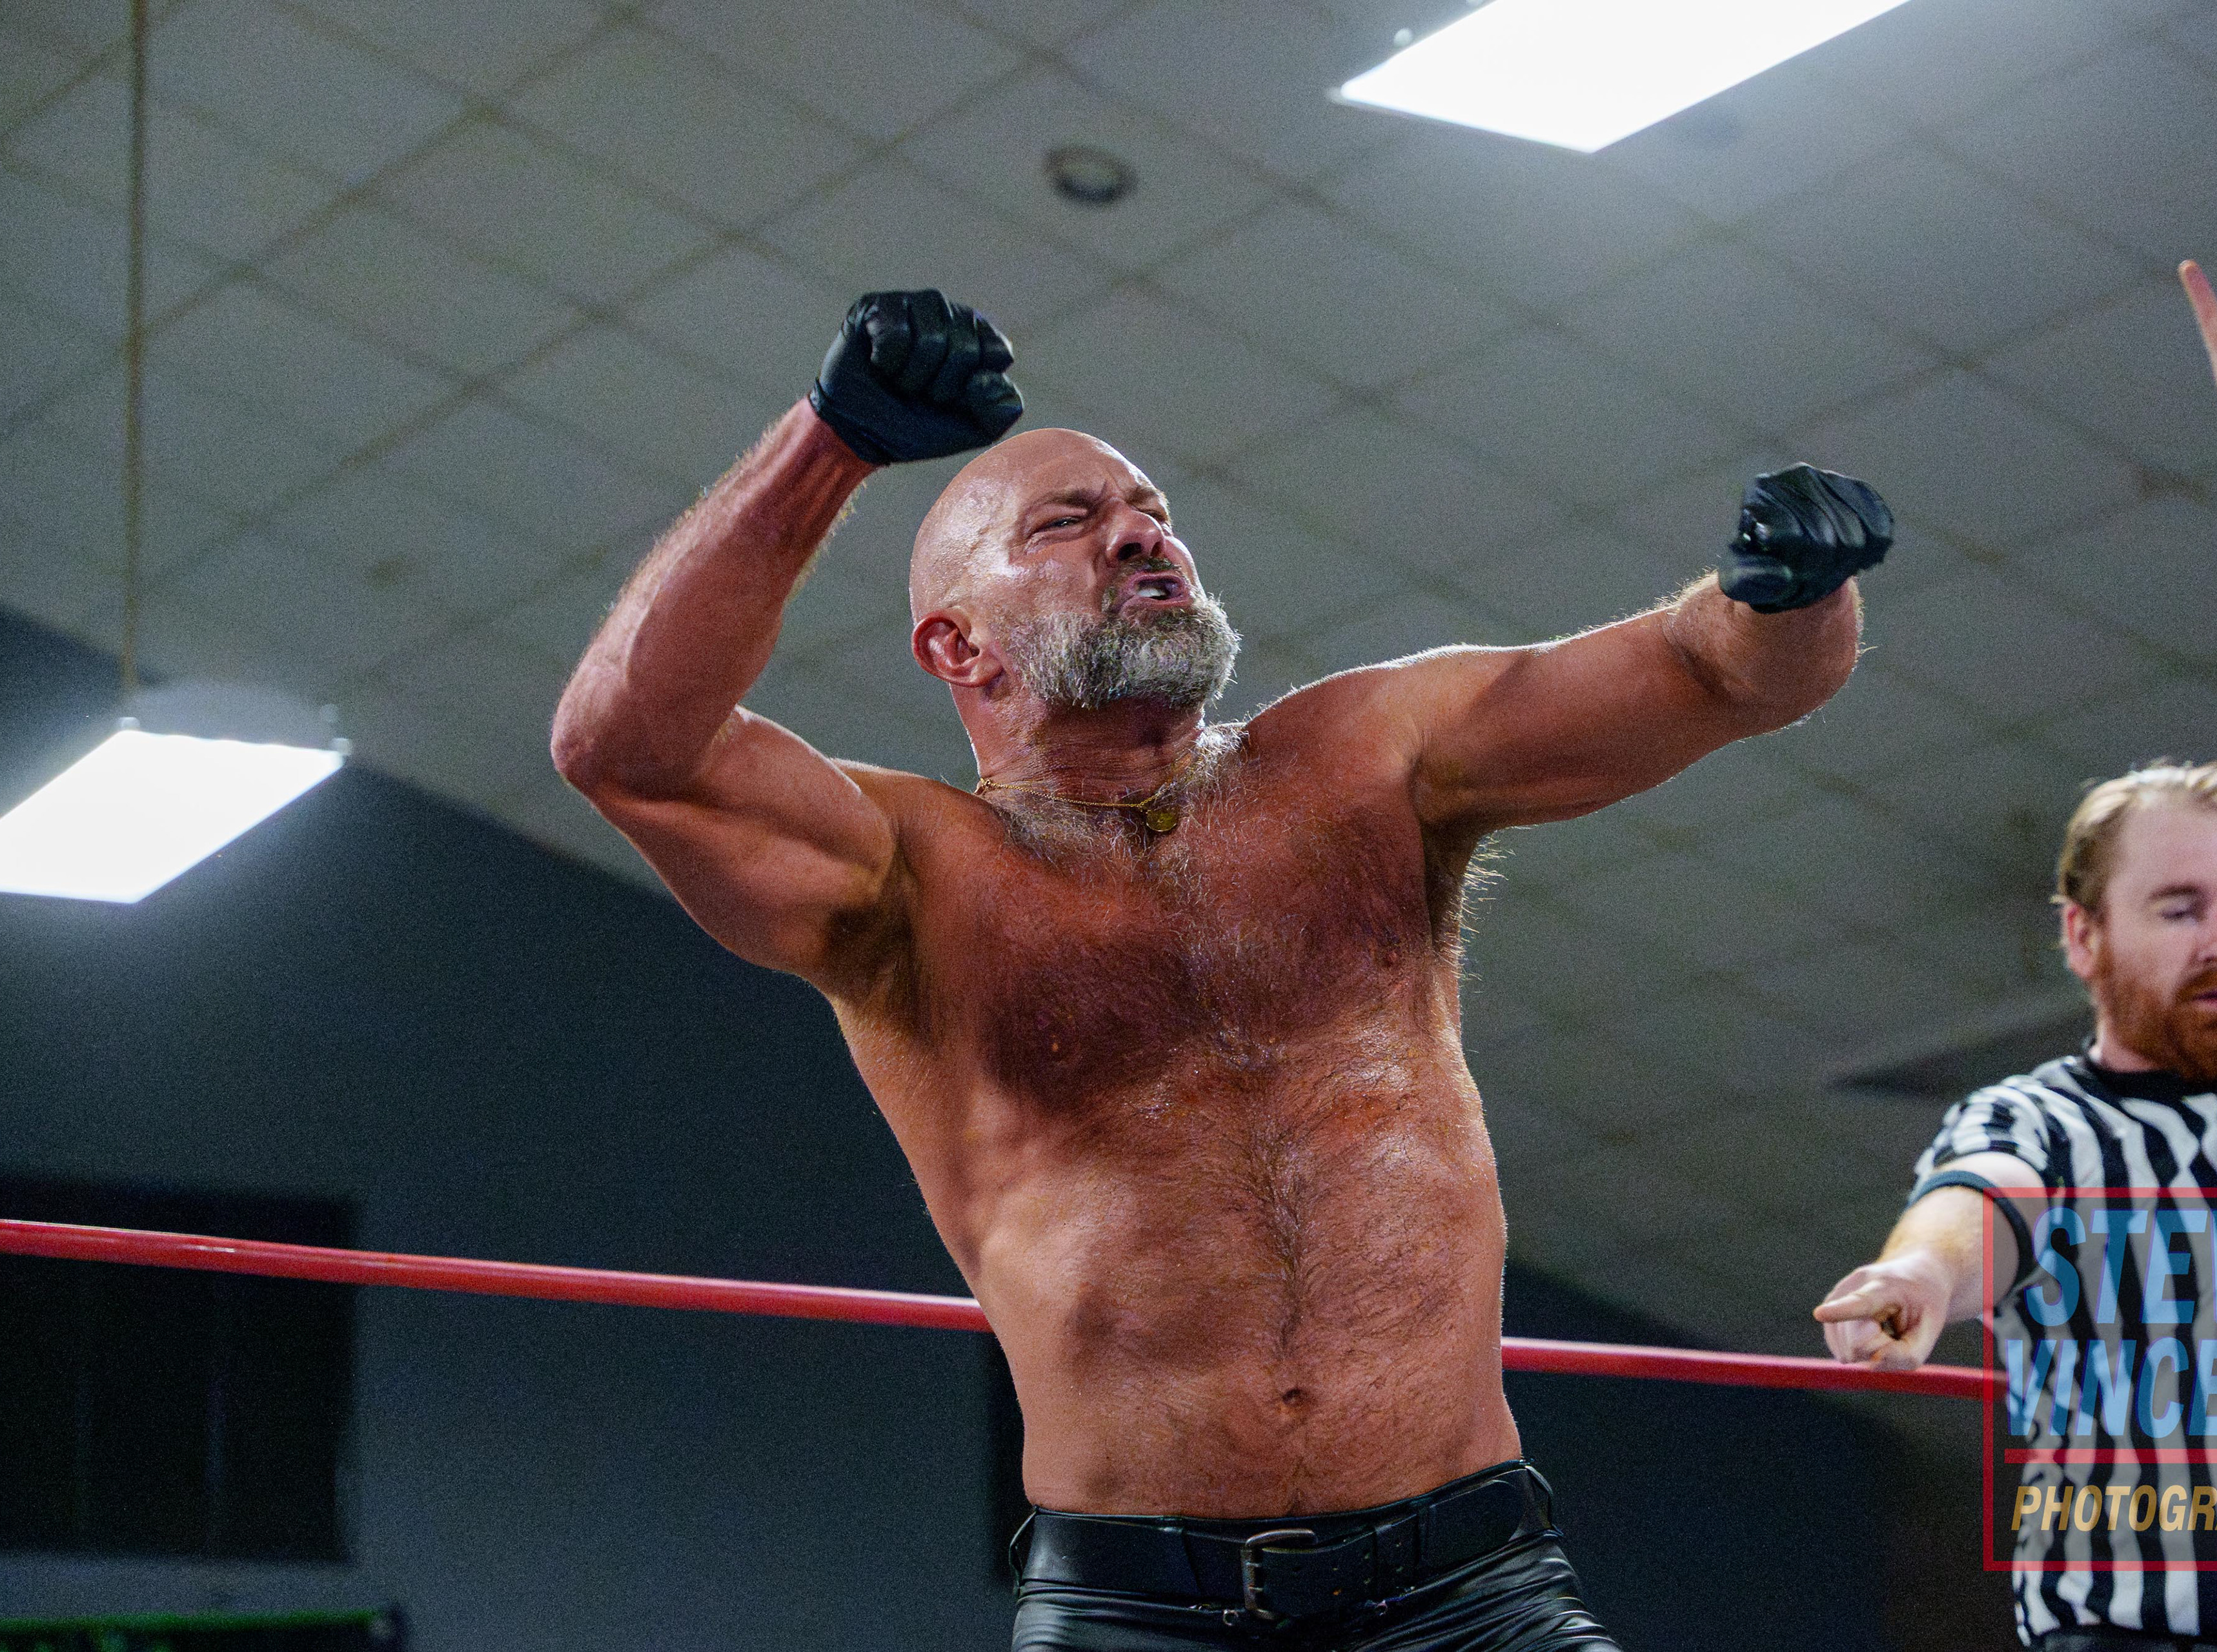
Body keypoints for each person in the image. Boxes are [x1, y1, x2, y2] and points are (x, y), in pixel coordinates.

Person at [553, 288, 1890, 1648]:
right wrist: (831, 441)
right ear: (957, 645)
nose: (1141, 532)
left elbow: (1724, 674)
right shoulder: (910, 873)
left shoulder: (1365, 761)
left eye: (1151, 509)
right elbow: (626, 751)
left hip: (1472, 1588)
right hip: (1138, 1609)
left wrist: (1788, 593)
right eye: (1066, 523)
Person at [1814, 262, 2217, 1647]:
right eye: (2180, 906)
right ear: (2082, 935)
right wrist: (1921, 1281)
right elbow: (1976, 1211)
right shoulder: (2041, 1120)